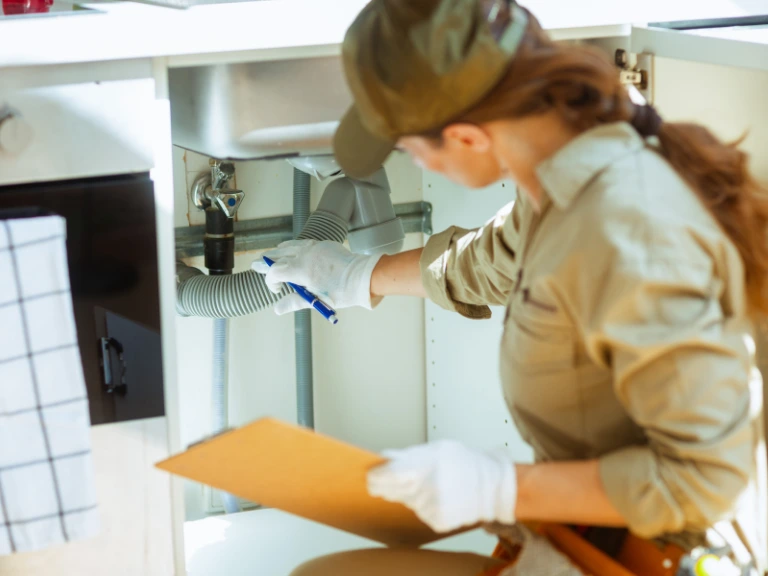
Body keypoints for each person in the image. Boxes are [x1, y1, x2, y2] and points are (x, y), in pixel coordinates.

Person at [253, 0, 768, 574]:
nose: (408, 157)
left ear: (469, 137)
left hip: (662, 555)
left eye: (408, 144)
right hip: (592, 534)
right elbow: (499, 258)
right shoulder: (569, 160)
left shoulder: (628, 232)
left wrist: (501, 489)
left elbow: (705, 481)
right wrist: (354, 276)